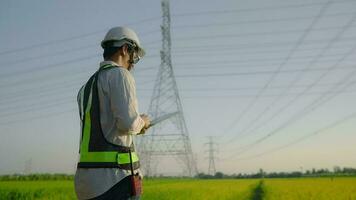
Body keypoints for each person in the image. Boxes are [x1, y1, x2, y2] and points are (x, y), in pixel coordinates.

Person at [74, 26, 151, 200]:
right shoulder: (120, 75)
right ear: (125, 49)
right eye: (135, 56)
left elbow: (106, 128)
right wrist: (143, 122)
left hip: (86, 183)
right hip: (115, 180)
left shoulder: (86, 87)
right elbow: (128, 123)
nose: (133, 62)